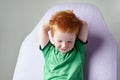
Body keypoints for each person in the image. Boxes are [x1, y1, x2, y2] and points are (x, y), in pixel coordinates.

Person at [39, 10, 88, 80]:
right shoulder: (48, 51)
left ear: (75, 38)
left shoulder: (78, 49)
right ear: (53, 38)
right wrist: (56, 22)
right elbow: (43, 28)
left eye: (69, 41)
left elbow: (84, 24)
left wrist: (72, 21)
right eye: (59, 41)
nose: (64, 45)